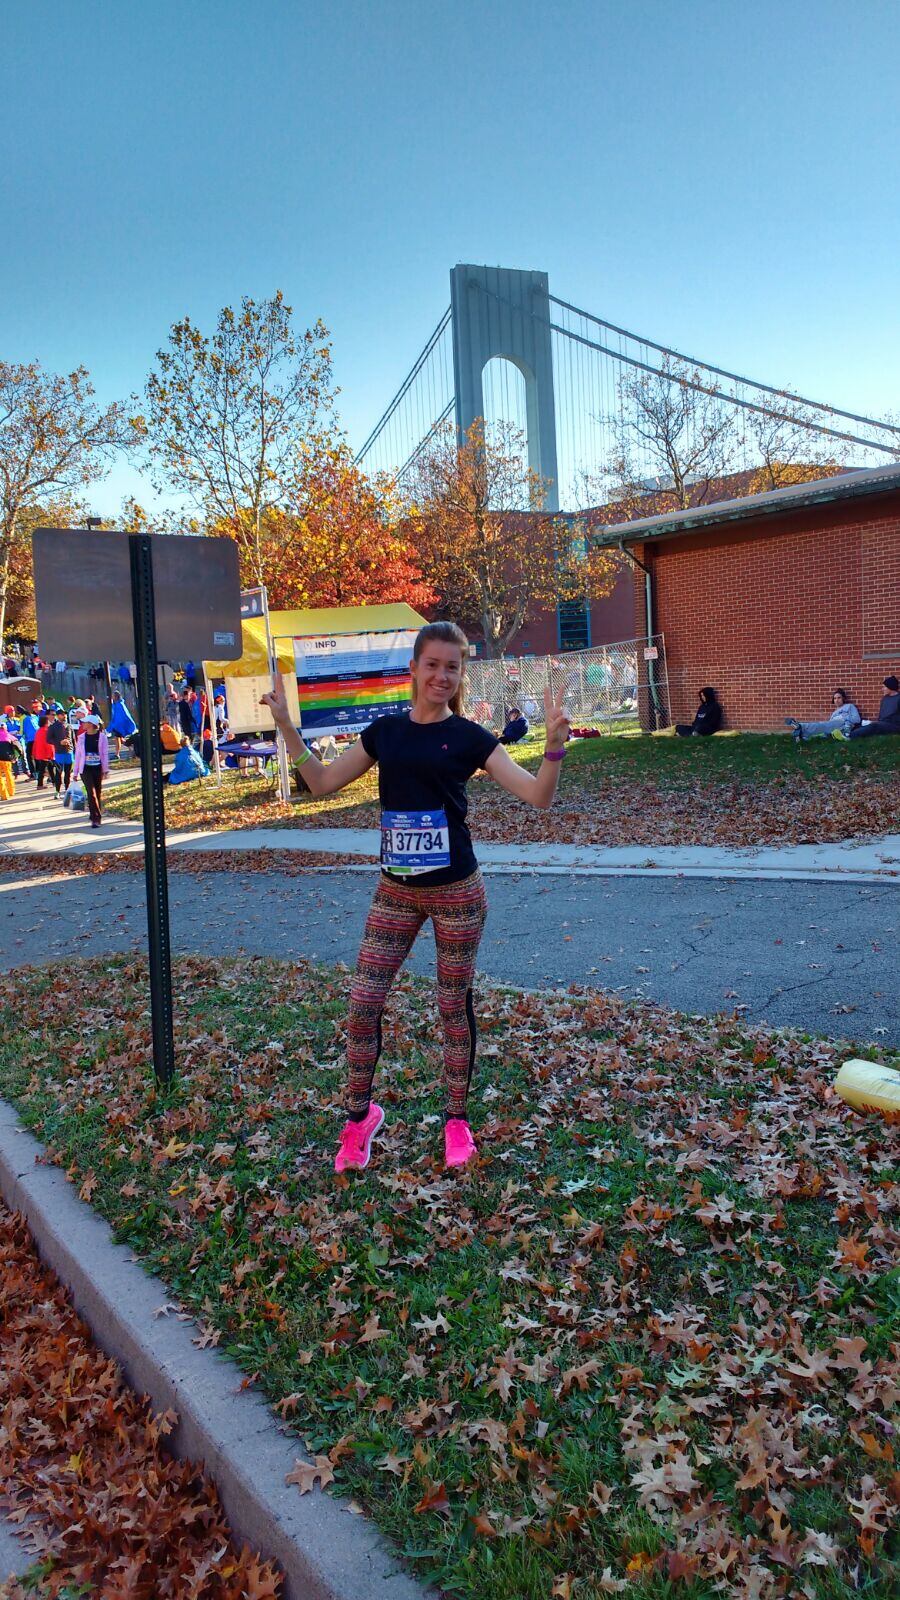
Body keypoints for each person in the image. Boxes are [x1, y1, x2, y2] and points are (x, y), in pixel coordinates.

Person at [261, 619, 571, 1175]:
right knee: (362, 1004)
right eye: (432, 664)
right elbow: (324, 783)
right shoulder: (385, 733)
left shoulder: (473, 738)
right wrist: (287, 727)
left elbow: (537, 798)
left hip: (457, 894)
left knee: (452, 1006)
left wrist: (552, 753)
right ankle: (359, 1120)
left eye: (453, 667)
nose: (442, 676)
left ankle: (456, 1121)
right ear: (413, 668)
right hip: (395, 894)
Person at [72, 712, 110, 827]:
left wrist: (105, 769)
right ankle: (96, 818)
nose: (83, 724)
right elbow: (78, 755)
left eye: (85, 722)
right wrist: (75, 772)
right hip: (86, 769)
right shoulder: (81, 737)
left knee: (97, 792)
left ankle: (93, 812)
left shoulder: (102, 737)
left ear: (91, 724)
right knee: (91, 792)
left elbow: (104, 754)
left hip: (97, 768)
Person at [784, 689, 862, 742]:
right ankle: (802, 736)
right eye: (835, 698)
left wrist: (844, 717)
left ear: (843, 698)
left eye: (839, 698)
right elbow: (829, 724)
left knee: (822, 725)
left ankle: (800, 726)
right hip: (833, 725)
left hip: (842, 724)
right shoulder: (834, 713)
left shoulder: (849, 706)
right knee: (821, 728)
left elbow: (857, 719)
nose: (837, 700)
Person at [46, 706, 73, 795]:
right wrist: (59, 742)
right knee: (58, 772)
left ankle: (67, 789)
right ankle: (57, 790)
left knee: (68, 772)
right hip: (59, 753)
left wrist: (74, 748)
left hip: (69, 752)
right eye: (62, 714)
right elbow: (48, 739)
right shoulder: (53, 727)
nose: (64, 716)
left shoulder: (69, 726)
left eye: (65, 714)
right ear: (58, 716)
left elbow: (73, 739)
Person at [107, 690, 138, 758]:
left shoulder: (119, 705)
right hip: (118, 725)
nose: (112, 697)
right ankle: (131, 749)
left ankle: (117, 754)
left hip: (119, 725)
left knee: (118, 739)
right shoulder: (116, 704)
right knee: (120, 739)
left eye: (113, 696)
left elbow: (123, 715)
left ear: (116, 697)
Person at [31, 713, 55, 790]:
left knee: (50, 767)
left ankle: (54, 781)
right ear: (46, 723)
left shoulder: (38, 731)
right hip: (46, 753)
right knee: (43, 769)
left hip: (41, 753)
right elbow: (49, 744)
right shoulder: (46, 731)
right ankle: (40, 784)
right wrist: (51, 753)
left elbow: (36, 743)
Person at [0, 727, 20, 800]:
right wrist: (16, 756)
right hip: (7, 759)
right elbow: (18, 746)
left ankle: (4, 795)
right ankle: (11, 791)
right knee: (8, 774)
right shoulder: (9, 736)